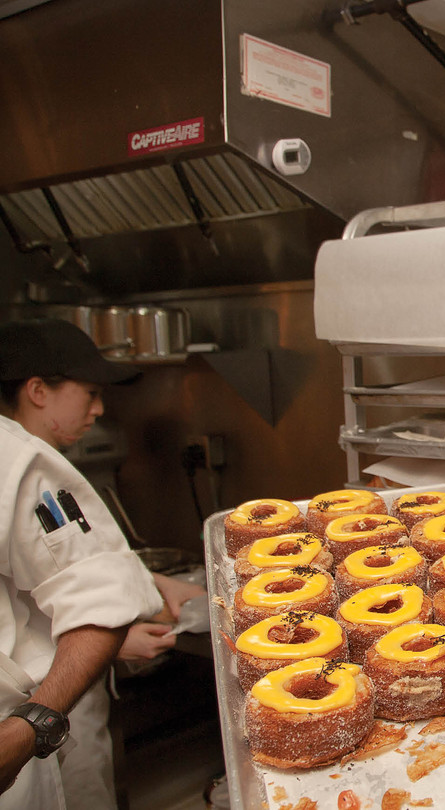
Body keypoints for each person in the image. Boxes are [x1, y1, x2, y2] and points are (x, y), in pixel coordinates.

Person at [0, 318, 200, 810]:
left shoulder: (23, 465)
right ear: (37, 391)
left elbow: (67, 577)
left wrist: (139, 594)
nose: (99, 409)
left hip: (35, 725)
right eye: (89, 393)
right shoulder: (21, 465)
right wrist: (111, 635)